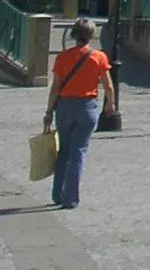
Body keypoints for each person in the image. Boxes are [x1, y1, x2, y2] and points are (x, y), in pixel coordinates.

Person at [44, 19, 114, 209]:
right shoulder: (99, 57)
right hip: (87, 106)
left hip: (65, 106)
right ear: (91, 35)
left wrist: (49, 111)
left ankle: (57, 193)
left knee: (64, 150)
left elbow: (55, 87)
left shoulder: (62, 58)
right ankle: (71, 198)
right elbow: (108, 85)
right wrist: (110, 104)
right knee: (79, 151)